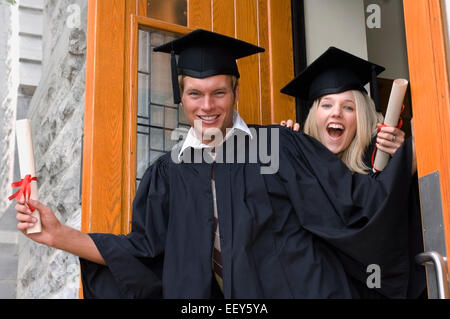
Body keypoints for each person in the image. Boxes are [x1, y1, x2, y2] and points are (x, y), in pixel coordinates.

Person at [15, 30, 420, 298]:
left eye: (218, 92)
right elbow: (144, 252)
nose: (207, 106)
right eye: (195, 94)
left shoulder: (282, 145)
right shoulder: (168, 173)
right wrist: (59, 235)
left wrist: (404, 149)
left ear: (235, 91)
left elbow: (352, 206)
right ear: (181, 97)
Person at [279, 47, 425, 298]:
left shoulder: (378, 162)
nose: (336, 112)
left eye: (348, 107)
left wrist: (403, 163)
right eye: (327, 104)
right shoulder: (297, 163)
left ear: (361, 118)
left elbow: (391, 231)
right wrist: (288, 150)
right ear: (314, 117)